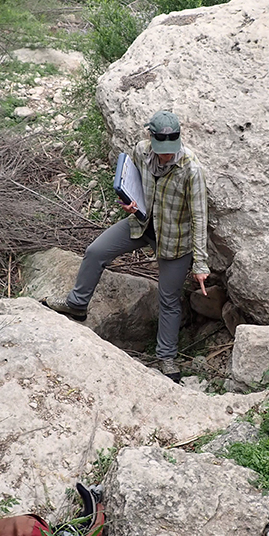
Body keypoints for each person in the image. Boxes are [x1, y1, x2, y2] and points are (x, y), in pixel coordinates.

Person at [42, 110, 209, 383]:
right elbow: (133, 181)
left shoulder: (192, 169)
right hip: (141, 224)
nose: (166, 155)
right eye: (161, 149)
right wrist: (130, 202)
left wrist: (201, 264)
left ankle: (166, 357)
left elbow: (201, 218)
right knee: (95, 252)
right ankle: (77, 305)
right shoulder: (142, 152)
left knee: (168, 299)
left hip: (175, 239)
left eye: (170, 150)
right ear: (150, 139)